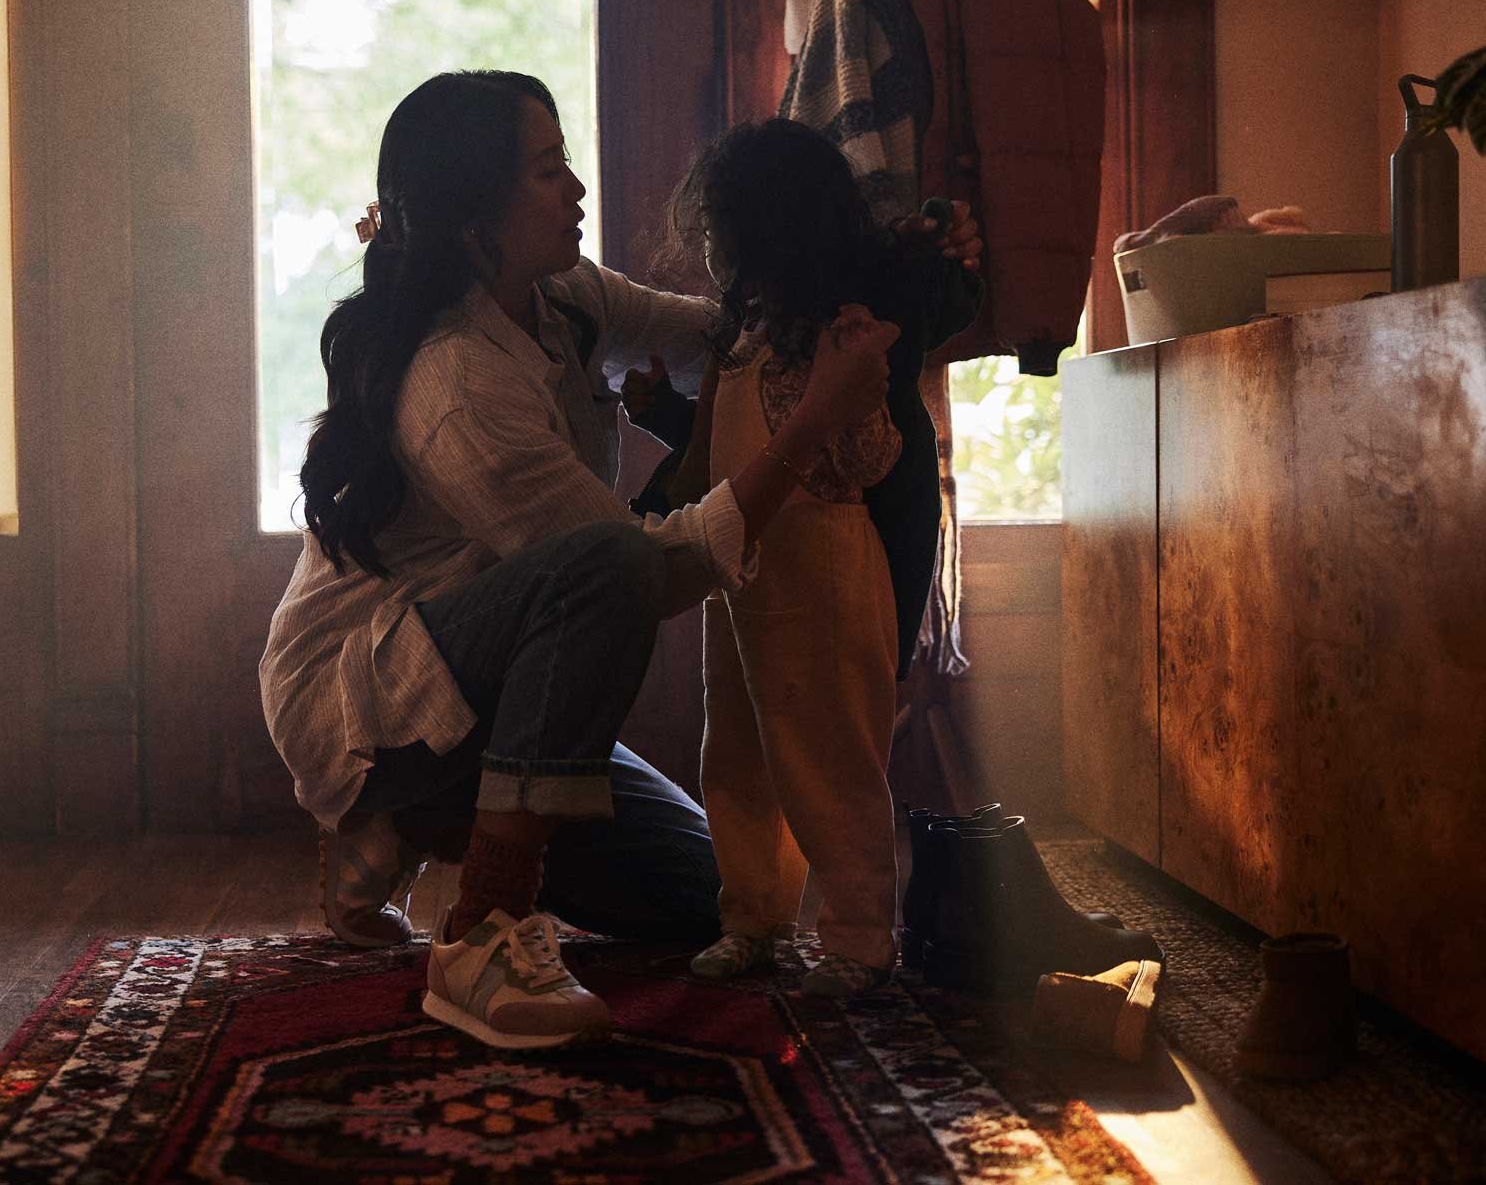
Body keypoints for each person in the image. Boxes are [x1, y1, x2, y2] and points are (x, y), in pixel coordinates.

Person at [258, 71, 980, 1050]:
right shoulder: (455, 382)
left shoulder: (558, 295)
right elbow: (641, 572)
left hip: (485, 687)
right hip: (369, 692)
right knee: (604, 565)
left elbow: (718, 341)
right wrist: (808, 426)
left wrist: (873, 275)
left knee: (700, 899)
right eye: (548, 169)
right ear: (475, 215)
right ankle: (478, 926)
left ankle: (395, 829)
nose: (577, 191)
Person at [647, 117, 983, 996]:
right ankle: (752, 916)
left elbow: (874, 456)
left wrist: (846, 398)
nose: (715, 247)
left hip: (830, 567)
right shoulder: (743, 332)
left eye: (723, 227)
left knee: (831, 757)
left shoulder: (843, 329)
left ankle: (859, 935)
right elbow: (716, 453)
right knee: (741, 755)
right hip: (744, 576)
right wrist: (658, 436)